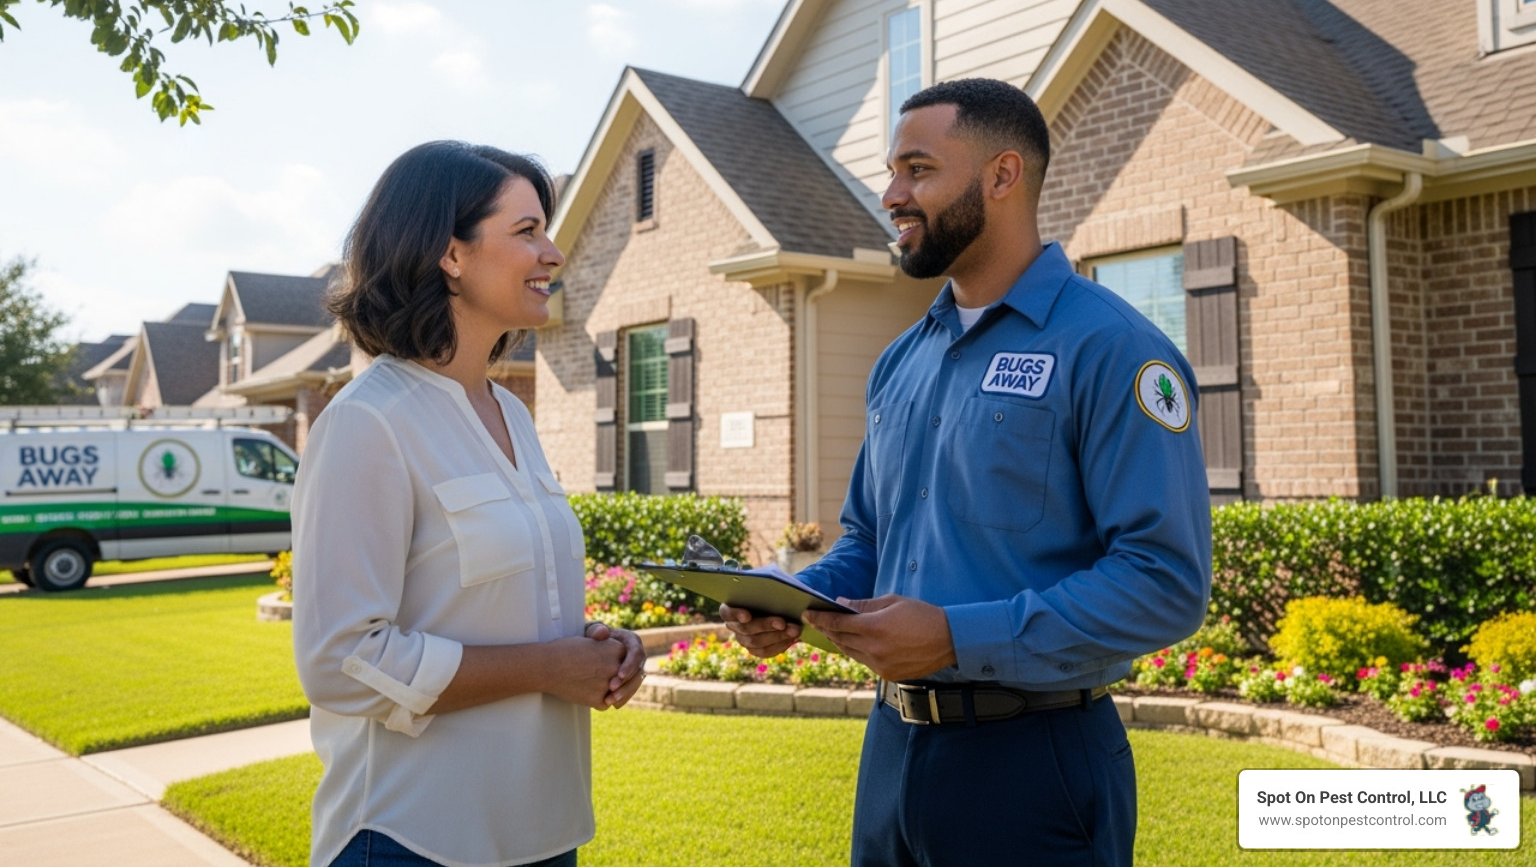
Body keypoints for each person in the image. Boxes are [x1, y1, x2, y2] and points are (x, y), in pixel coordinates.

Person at [721, 79, 1211, 867]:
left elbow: (1164, 583)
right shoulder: (900, 362)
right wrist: (797, 601)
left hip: (1035, 762)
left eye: (917, 169)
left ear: (1002, 176)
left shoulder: (1115, 351)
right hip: (891, 752)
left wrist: (955, 635)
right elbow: (873, 538)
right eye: (892, 171)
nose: (891, 195)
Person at [293, 142, 645, 867]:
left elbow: (495, 599)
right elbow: (340, 659)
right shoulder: (369, 421)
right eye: (526, 232)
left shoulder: (511, 414)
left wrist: (593, 644)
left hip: (543, 832)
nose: (552, 253)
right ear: (450, 253)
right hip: (410, 838)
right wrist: (548, 666)